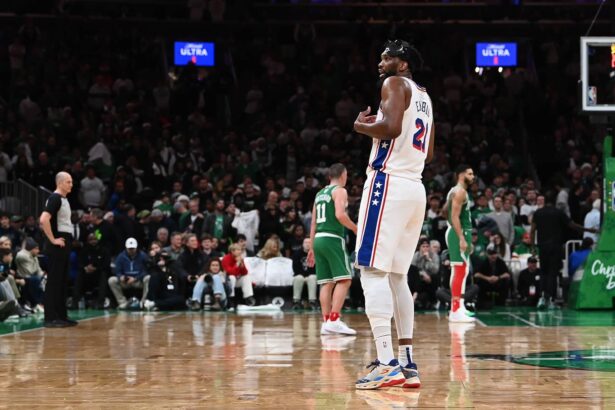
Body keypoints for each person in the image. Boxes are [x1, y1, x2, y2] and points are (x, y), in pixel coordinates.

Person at [352, 40, 433, 390]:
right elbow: (428, 152)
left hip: (389, 183)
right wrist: (382, 124)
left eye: (388, 57)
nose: (380, 62)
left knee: (371, 270)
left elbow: (392, 129)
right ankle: (406, 362)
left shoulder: (394, 83)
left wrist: (362, 127)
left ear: (403, 65)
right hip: (415, 186)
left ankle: (386, 363)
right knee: (398, 276)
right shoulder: (425, 97)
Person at [307, 163, 357, 335]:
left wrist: (311, 247)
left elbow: (313, 223)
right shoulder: (340, 191)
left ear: (329, 176)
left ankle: (327, 322)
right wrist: (355, 229)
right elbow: (340, 215)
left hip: (318, 239)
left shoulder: (319, 194)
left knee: (326, 282)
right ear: (343, 175)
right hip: (332, 238)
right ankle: (334, 319)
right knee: (345, 280)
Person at [530, 192, 597, 308]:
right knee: (553, 273)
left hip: (542, 247)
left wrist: (532, 246)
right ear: (555, 201)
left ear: (545, 201)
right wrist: (588, 230)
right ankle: (551, 299)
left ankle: (542, 298)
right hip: (555, 247)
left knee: (543, 272)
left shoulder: (538, 213)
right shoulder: (558, 212)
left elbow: (532, 231)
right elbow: (572, 225)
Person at [39, 172, 78, 328]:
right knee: (54, 281)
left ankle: (61, 315)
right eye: (68, 182)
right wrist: (53, 239)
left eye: (71, 181)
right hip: (57, 246)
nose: (71, 184)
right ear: (60, 183)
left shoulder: (64, 199)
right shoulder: (54, 198)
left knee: (62, 281)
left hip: (64, 244)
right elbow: (43, 219)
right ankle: (50, 318)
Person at [445, 165, 476, 323]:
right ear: (461, 175)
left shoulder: (454, 191)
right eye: (470, 174)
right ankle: (455, 310)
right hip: (458, 233)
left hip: (460, 232)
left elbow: (445, 211)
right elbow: (454, 217)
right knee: (459, 270)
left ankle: (459, 306)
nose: (473, 176)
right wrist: (462, 238)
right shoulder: (460, 192)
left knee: (462, 271)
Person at [71, 233, 111, 309]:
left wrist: (96, 268)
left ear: (98, 240)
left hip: (98, 273)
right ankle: (74, 303)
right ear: (88, 241)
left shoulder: (104, 250)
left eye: (95, 239)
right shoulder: (84, 250)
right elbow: (80, 263)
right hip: (87, 274)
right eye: (91, 240)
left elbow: (106, 264)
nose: (93, 241)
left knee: (103, 275)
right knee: (79, 275)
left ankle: (101, 303)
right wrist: (85, 268)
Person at [108, 238, 151, 309]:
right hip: (125, 282)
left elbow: (146, 270)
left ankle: (143, 302)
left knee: (148, 278)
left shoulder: (143, 256)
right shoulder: (121, 256)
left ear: (136, 247)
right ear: (126, 248)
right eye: (129, 248)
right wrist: (120, 276)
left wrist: (136, 278)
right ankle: (123, 303)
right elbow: (117, 270)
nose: (131, 250)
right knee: (112, 280)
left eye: (133, 248)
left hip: (138, 281)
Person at [14, 238, 45, 312]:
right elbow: (29, 271)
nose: (38, 251)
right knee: (36, 279)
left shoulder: (33, 255)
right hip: (23, 277)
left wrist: (43, 275)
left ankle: (43, 302)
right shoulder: (22, 256)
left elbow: (38, 270)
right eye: (36, 249)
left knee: (44, 278)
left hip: (31, 276)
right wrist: (34, 260)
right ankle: (37, 303)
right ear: (31, 249)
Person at [292, 237, 317, 310]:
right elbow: (295, 268)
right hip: (300, 275)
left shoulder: (316, 254)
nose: (307, 244)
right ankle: (296, 301)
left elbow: (316, 268)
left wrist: (307, 276)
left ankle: (312, 301)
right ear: (302, 244)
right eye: (306, 242)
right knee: (298, 278)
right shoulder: (297, 254)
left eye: (309, 242)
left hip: (311, 275)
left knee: (312, 277)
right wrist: (304, 276)